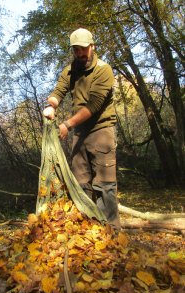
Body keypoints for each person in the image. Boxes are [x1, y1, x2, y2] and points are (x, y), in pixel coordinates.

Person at [43, 28, 121, 232]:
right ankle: (88, 230)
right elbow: (58, 91)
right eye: (76, 50)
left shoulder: (104, 70)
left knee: (105, 186)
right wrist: (51, 105)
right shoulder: (69, 71)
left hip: (101, 130)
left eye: (83, 49)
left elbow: (93, 105)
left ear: (92, 47)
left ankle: (111, 233)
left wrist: (67, 125)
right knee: (80, 184)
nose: (80, 53)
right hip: (80, 133)